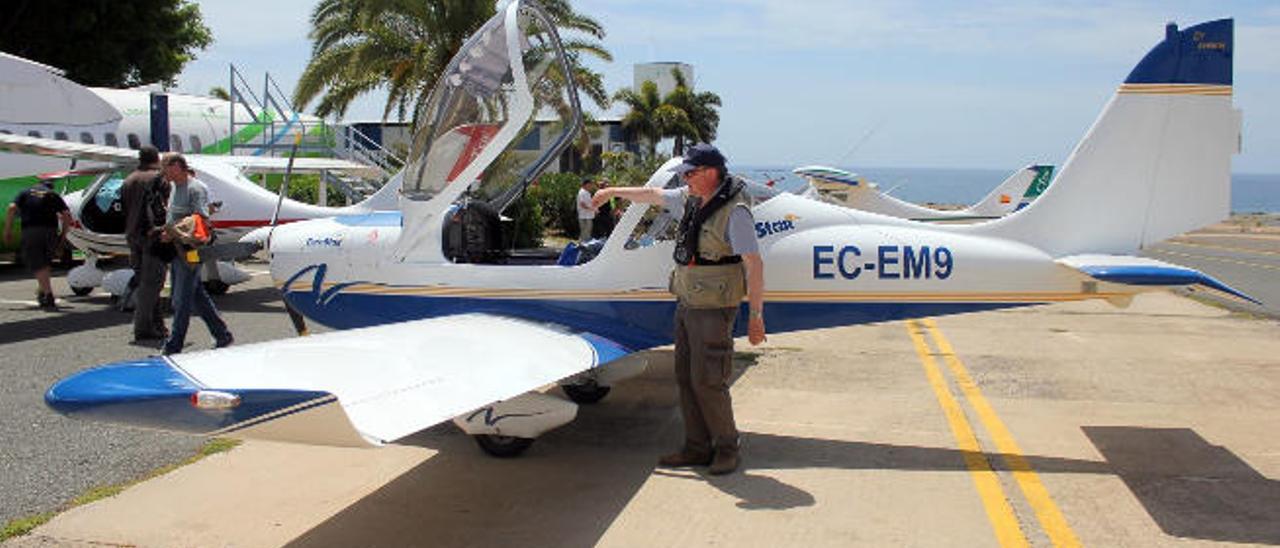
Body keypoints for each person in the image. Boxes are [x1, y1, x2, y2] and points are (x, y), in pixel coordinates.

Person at [592, 143, 766, 475]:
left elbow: (754, 265)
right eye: (684, 173)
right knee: (685, 377)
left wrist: (756, 317)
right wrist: (612, 191)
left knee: (709, 380)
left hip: (714, 306)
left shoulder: (735, 211)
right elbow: (652, 194)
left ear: (711, 172)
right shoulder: (690, 197)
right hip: (688, 301)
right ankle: (697, 447)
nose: (685, 178)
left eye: (691, 172)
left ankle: (727, 447)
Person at [160, 153, 233, 355]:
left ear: (176, 166)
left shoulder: (196, 188)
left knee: (181, 299)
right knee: (195, 295)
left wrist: (173, 231)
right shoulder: (174, 187)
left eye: (165, 166)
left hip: (191, 250)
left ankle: (173, 347)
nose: (162, 171)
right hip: (177, 249)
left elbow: (200, 218)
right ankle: (222, 335)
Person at [120, 145, 170, 342]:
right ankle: (143, 327)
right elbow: (165, 207)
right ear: (155, 158)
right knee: (153, 283)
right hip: (153, 236)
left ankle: (157, 324)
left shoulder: (128, 180)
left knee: (145, 281)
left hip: (133, 236)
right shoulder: (158, 179)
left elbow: (125, 209)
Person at [4, 178, 72, 309]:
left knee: (38, 264)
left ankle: (48, 294)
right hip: (51, 232)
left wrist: (8, 230)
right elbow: (66, 215)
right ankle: (42, 291)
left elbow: (12, 208)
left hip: (31, 231)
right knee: (44, 263)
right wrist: (62, 237)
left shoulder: (25, 192)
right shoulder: (53, 195)